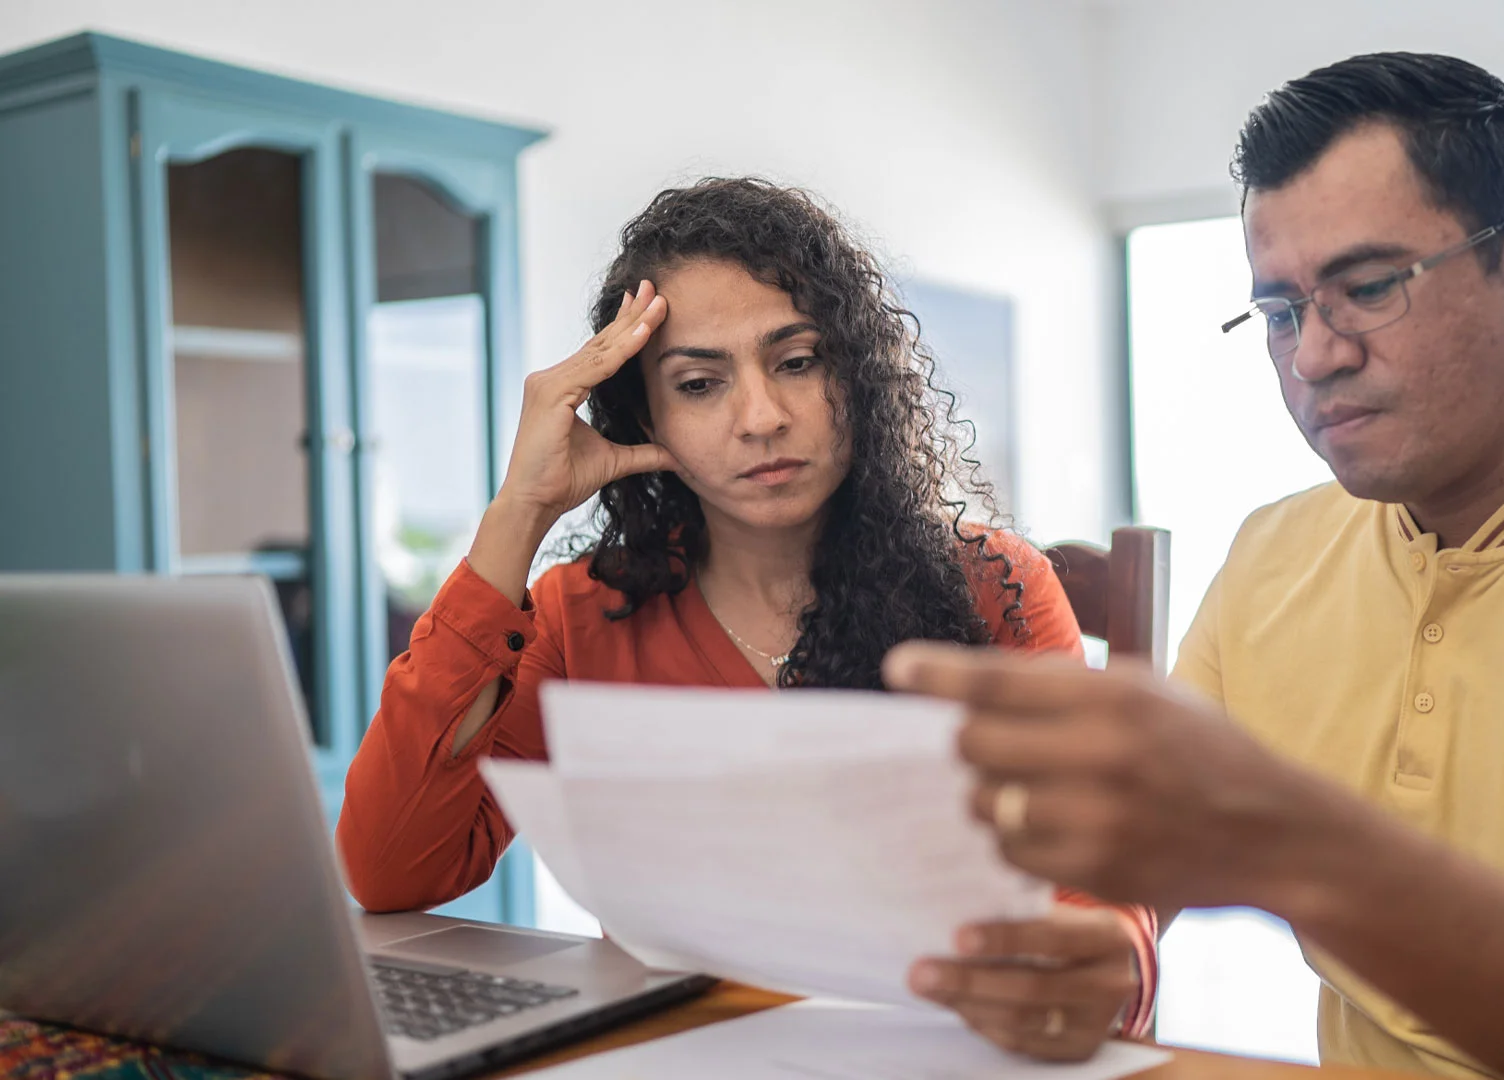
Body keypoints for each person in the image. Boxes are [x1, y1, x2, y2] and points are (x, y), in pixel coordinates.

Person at [888, 54, 1504, 1079]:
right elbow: (1154, 842)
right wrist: (1108, 949)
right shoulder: (1272, 554)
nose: (1317, 357)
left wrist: (1291, 844)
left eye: (1369, 287)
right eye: (1282, 313)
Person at [336, 178, 1155, 1058]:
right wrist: (517, 514)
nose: (761, 418)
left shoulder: (994, 587)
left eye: (797, 362)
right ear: (644, 417)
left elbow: (1097, 915)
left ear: (858, 374)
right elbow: (393, 870)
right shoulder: (583, 614)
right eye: (698, 383)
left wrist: (1096, 963)